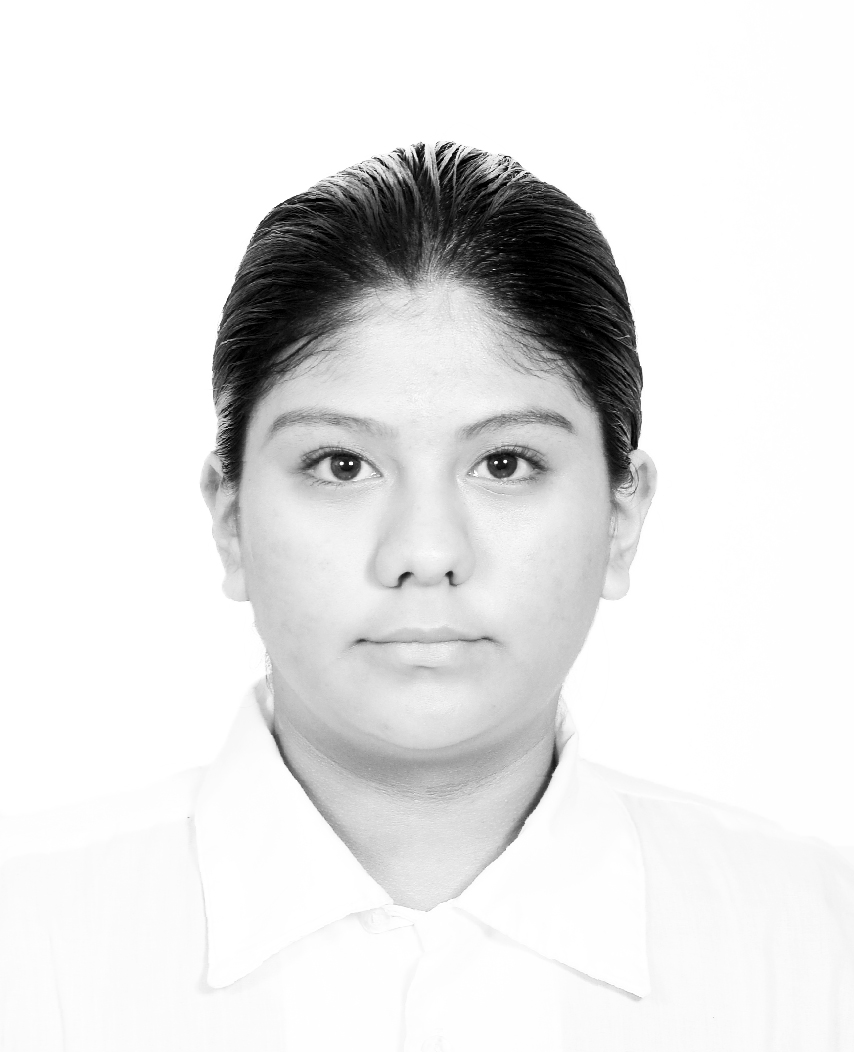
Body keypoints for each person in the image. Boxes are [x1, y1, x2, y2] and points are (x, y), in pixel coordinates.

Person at [1, 141, 851, 1051]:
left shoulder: (816, 943)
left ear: (620, 515)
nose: (425, 552)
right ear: (231, 517)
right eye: (341, 464)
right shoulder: (29, 937)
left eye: (505, 463)